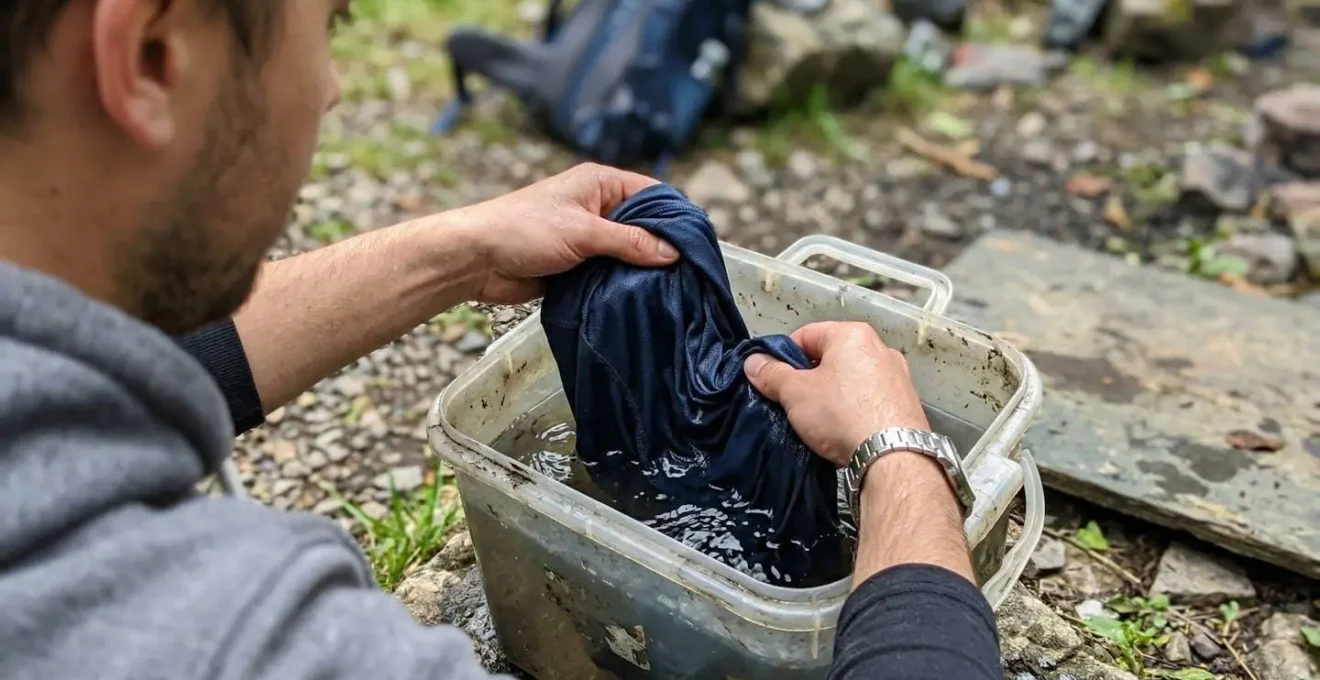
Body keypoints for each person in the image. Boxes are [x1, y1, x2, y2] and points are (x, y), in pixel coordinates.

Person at [0, 2, 1001, 679]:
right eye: (329, 24)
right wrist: (897, 457)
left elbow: (92, 365)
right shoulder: (250, 641)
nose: (336, 92)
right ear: (151, 57)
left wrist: (455, 249)